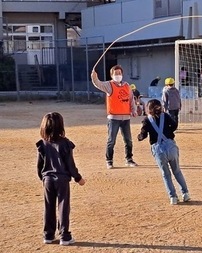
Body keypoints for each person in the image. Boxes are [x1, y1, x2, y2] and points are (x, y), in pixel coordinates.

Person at [36, 112, 86, 246]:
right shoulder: (65, 144)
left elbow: (39, 165)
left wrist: (43, 177)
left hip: (47, 179)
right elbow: (70, 164)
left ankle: (48, 234)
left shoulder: (43, 144)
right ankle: (64, 236)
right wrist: (78, 178)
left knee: (49, 206)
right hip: (62, 179)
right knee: (63, 207)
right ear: (60, 126)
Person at [137, 99, 190, 205]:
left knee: (166, 174)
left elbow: (143, 135)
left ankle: (173, 197)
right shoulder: (165, 116)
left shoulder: (147, 120)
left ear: (149, 109)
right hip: (170, 146)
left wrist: (139, 137)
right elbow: (174, 125)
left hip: (158, 150)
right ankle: (185, 193)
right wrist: (169, 132)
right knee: (177, 171)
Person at [91, 65, 138, 169]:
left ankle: (129, 159)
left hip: (126, 118)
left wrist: (133, 110)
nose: (118, 75)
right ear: (111, 75)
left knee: (128, 140)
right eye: (116, 74)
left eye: (119, 73)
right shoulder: (109, 85)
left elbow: (131, 99)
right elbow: (98, 83)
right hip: (113, 118)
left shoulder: (127, 86)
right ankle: (109, 161)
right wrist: (94, 77)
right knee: (111, 140)